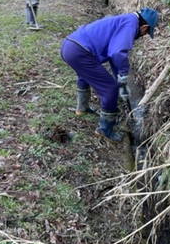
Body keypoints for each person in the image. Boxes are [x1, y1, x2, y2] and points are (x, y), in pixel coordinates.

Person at [60, 7, 158, 142]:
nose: (142, 35)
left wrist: (121, 81)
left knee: (84, 75)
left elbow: (113, 55)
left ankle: (81, 108)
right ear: (144, 26)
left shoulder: (125, 20)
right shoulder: (131, 24)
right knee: (110, 88)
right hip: (79, 51)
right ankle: (105, 129)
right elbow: (117, 53)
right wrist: (122, 75)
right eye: (146, 33)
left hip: (69, 45)